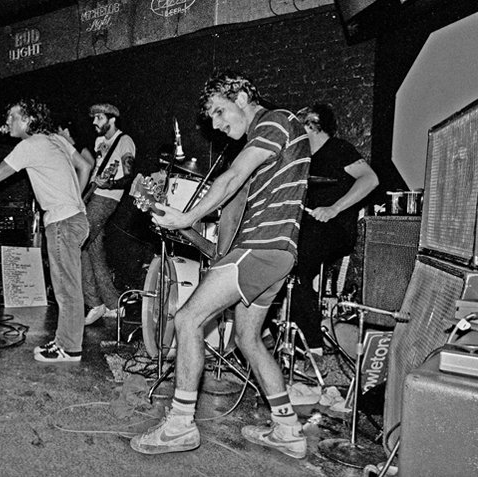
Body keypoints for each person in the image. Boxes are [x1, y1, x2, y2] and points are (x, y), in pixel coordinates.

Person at [130, 71, 311, 458]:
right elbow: (231, 215)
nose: (215, 124)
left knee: (187, 318)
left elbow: (232, 178)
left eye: (218, 111)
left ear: (242, 97)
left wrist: (186, 216)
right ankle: (288, 430)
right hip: (277, 253)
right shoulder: (273, 142)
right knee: (248, 339)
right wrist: (184, 227)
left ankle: (180, 426)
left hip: (261, 247)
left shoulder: (275, 121)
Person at [0, 98, 92, 363]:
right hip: (76, 218)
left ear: (29, 120)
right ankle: (65, 341)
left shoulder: (29, 145)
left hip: (62, 222)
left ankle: (70, 348)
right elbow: (86, 166)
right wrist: (73, 199)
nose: (7, 121)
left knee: (66, 289)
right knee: (68, 287)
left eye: (13, 116)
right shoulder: (56, 139)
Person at [290, 104, 379, 376]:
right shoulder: (303, 158)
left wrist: (334, 208)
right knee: (284, 263)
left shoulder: (339, 149)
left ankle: (315, 349)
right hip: (310, 229)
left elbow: (370, 179)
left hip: (335, 229)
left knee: (296, 263)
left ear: (313, 125)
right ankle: (288, 339)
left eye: (300, 124)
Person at [82, 103, 136, 325]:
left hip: (106, 198)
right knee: (93, 250)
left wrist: (110, 183)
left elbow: (128, 177)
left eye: (99, 118)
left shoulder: (125, 141)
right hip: (93, 195)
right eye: (93, 118)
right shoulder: (99, 142)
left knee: (79, 242)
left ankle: (94, 302)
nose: (94, 122)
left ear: (112, 119)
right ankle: (114, 305)